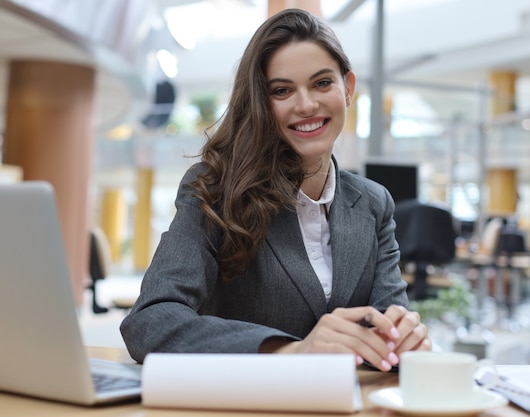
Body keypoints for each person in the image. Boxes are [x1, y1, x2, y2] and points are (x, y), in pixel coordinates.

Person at [120, 8, 431, 372]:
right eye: (282, 91)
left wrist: (403, 340)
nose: (306, 105)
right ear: (261, 104)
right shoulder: (214, 188)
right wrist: (288, 352)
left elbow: (386, 328)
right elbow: (150, 321)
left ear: (347, 88)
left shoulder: (374, 204)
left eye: (321, 83)